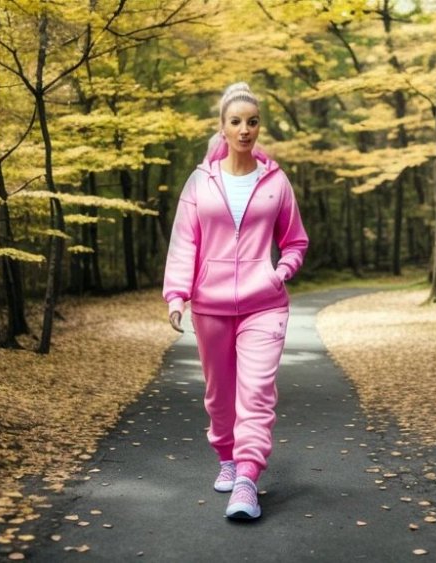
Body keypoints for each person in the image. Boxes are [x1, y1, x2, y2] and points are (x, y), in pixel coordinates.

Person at [163, 82, 308, 520]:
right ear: (222, 127)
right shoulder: (200, 181)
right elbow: (184, 242)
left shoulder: (276, 181)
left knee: (257, 393)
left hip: (265, 304)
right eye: (236, 122)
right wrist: (177, 295)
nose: (245, 129)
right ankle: (226, 456)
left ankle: (247, 478)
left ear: (258, 126)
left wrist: (279, 271)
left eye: (252, 121)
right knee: (220, 396)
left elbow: (295, 241)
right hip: (211, 306)